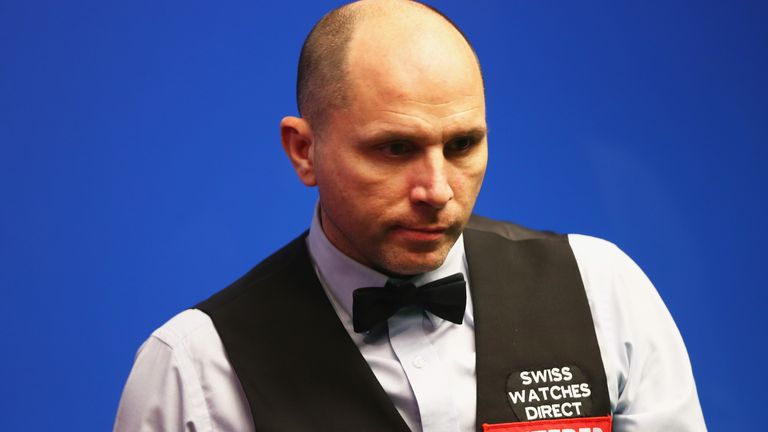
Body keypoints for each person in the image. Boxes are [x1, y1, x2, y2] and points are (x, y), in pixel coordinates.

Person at [114, 1, 706, 431]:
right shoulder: (192, 370)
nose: (437, 189)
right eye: (394, 149)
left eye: (462, 145)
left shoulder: (602, 289)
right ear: (304, 150)